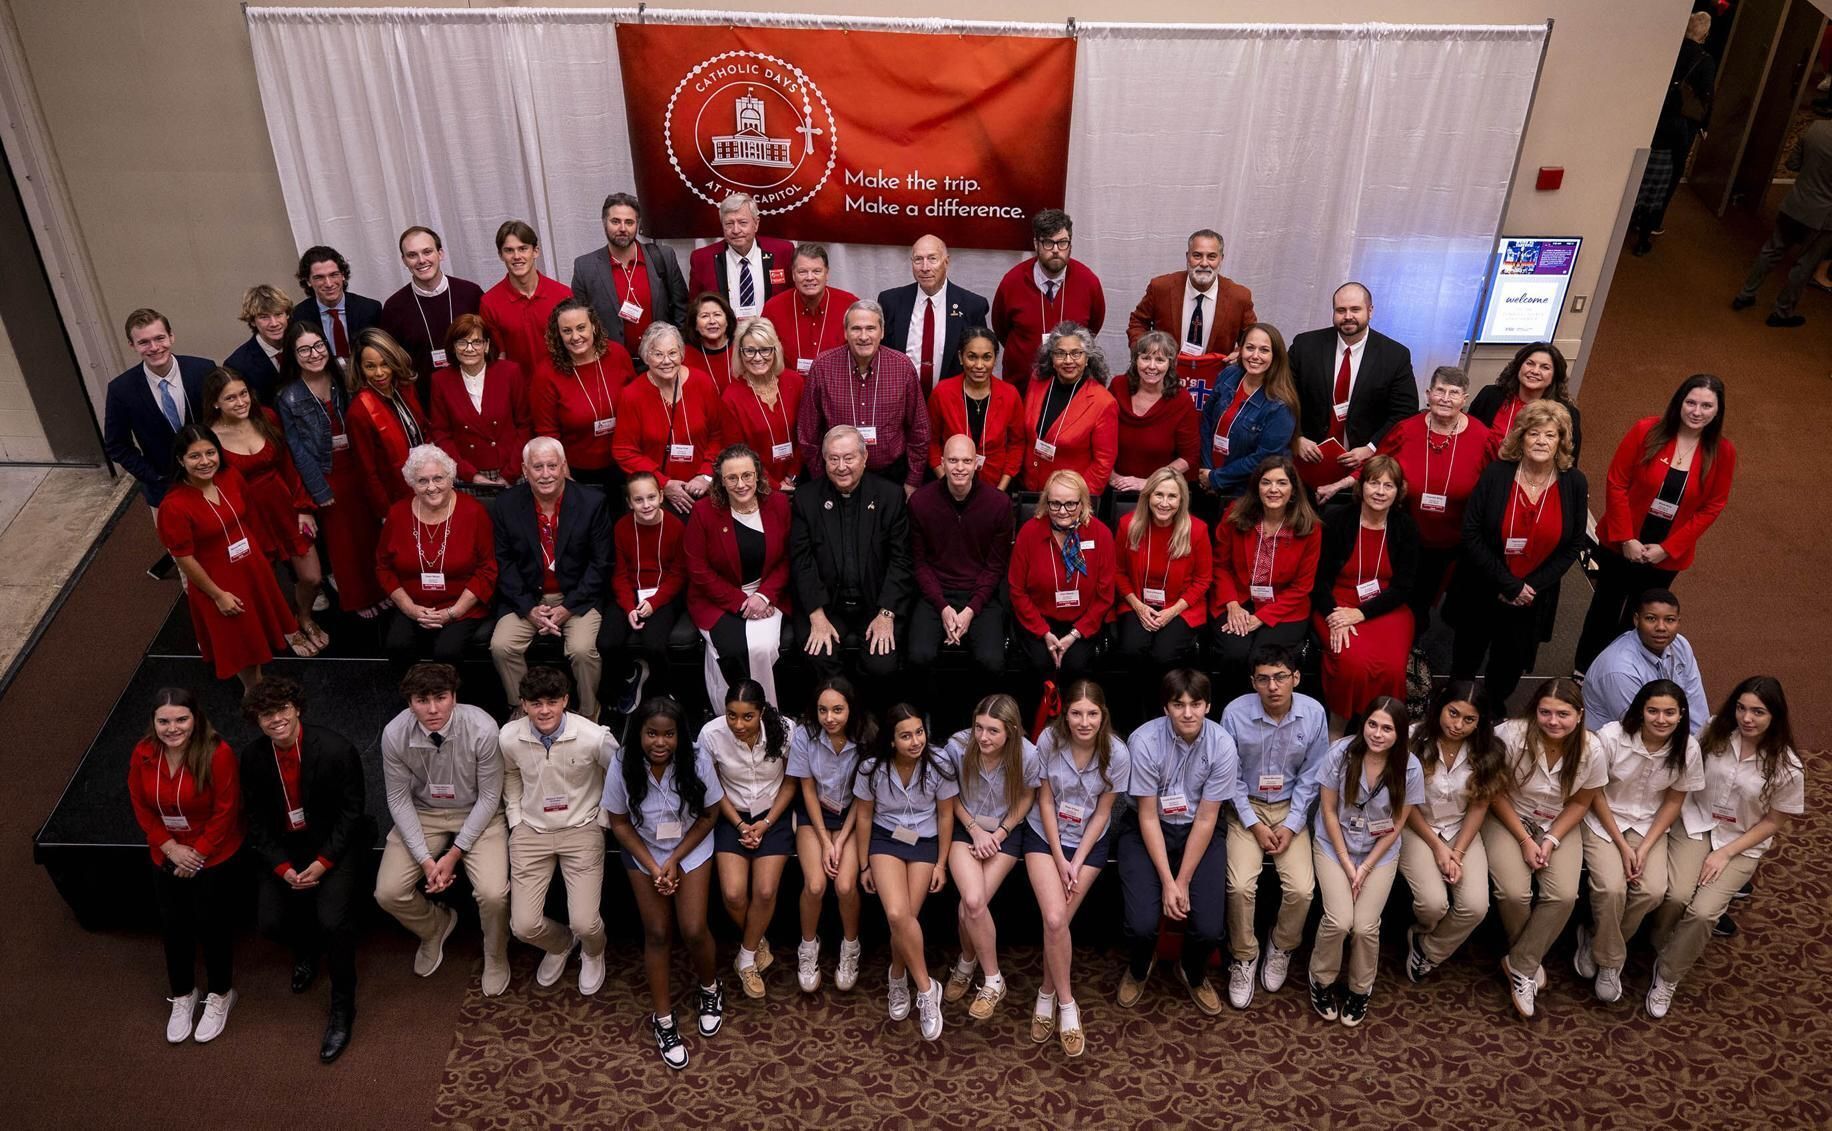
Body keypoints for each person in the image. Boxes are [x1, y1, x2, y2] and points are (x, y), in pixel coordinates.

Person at [1648, 677, 1805, 1017]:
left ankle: (1669, 974)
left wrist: (1724, 853)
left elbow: (1773, 822)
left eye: (1758, 712)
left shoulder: (1788, 767)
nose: (1747, 719)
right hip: (1695, 822)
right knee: (1675, 895)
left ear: (1775, 716)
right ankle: (1657, 942)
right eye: (1741, 708)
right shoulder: (1714, 730)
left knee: (1703, 912)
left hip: (1739, 843)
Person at [237, 676, 366, 1062]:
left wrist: (322, 863)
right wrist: (280, 866)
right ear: (256, 720)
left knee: (333, 921)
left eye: (281, 710)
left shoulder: (336, 749)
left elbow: (351, 814)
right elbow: (256, 820)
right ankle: (306, 951)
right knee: (270, 924)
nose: (275, 720)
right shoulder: (253, 757)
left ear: (297, 710)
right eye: (265, 714)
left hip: (333, 846)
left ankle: (343, 1008)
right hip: (286, 850)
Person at [1576, 374, 1735, 669]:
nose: (1697, 412)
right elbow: (1617, 482)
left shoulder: (1723, 453)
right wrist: (1626, 538)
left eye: (1706, 406)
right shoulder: (1646, 431)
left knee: (1641, 616)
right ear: (1679, 403)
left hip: (1665, 555)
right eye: (1691, 402)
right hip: (1621, 544)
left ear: (1717, 411)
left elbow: (1713, 506)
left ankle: (1622, 674)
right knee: (1604, 609)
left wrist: (1668, 548)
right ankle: (1584, 671)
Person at [602, 695, 725, 1069]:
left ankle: (709, 989)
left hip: (690, 846)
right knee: (657, 933)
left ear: (679, 735)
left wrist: (673, 860)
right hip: (643, 851)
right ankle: (664, 1020)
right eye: (652, 734)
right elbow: (619, 823)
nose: (660, 742)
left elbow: (708, 817)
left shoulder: (697, 758)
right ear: (639, 733)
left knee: (692, 927)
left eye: (668, 734)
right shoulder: (622, 763)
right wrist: (655, 866)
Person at [376, 663, 511, 996]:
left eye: (441, 698)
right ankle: (434, 926)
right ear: (409, 702)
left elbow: (492, 796)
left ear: (454, 696)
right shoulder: (395, 733)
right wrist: (425, 859)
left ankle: (495, 954)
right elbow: (397, 798)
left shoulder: (482, 727)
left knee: (493, 894)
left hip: (480, 812)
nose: (433, 709)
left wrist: (454, 853)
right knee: (388, 892)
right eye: (422, 700)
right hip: (425, 812)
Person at [1448, 400, 1589, 708]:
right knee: (1465, 660)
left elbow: (1573, 544)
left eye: (1550, 435)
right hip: (1484, 585)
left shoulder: (1574, 483)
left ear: (1562, 441)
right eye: (1534, 433)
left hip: (1533, 596)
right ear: (1521, 437)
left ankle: (1490, 716)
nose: (1541, 441)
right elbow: (1470, 531)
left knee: (1508, 665)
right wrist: (1507, 583)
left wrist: (1530, 587)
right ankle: (1454, 713)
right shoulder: (1497, 473)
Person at [1116, 668, 1238, 1015]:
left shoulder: (1222, 745)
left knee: (1210, 928)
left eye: (1195, 704)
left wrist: (1182, 881)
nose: (1187, 713)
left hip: (1199, 829)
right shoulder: (1143, 741)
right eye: (1178, 704)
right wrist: (1169, 883)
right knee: (1140, 925)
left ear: (1208, 706)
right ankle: (1139, 968)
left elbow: (1206, 817)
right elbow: (1148, 816)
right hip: (1147, 828)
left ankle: (1193, 971)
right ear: (1165, 708)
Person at [1481, 678, 1605, 1019]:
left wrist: (1549, 840)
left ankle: (1520, 963)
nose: (1553, 721)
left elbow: (1581, 802)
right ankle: (1529, 959)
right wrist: (1524, 839)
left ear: (1579, 715)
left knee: (1564, 895)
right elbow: (1495, 792)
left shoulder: (1592, 749)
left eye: (1563, 714)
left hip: (1559, 822)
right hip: (1510, 817)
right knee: (1513, 893)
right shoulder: (1511, 735)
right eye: (1545, 712)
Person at [1574, 678, 1703, 1004]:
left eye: (1670, 713)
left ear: (1681, 714)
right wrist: (1622, 844)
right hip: (1604, 822)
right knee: (1612, 888)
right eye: (1653, 711)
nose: (1661, 719)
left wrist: (1643, 848)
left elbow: (1674, 801)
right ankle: (1611, 962)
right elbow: (1595, 793)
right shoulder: (1612, 738)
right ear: (1640, 711)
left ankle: (1595, 939)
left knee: (1653, 889)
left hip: (1648, 826)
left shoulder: (1688, 748)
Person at [127, 688, 243, 1045]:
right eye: (163, 721)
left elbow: (227, 809)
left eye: (181, 719)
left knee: (213, 927)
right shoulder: (143, 753)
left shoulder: (217, 753)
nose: (172, 728)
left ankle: (221, 993)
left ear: (195, 719)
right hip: (168, 853)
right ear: (153, 722)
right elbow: (139, 803)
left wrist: (198, 853)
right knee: (174, 927)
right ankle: (183, 994)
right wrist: (169, 846)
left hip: (214, 853)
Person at [1218, 643, 1330, 1009]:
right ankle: (1244, 954)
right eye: (1264, 679)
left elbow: (1313, 776)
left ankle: (1281, 946)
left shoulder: (1313, 714)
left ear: (1295, 678)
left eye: (1281, 677)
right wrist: (1252, 824)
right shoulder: (1234, 714)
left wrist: (1294, 823)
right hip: (1245, 805)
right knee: (1238, 885)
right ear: (1253, 682)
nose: (1273, 686)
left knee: (1302, 889)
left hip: (1290, 808)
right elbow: (1229, 776)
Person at [1024, 680, 1129, 1057]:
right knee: (1054, 919)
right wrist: (1058, 857)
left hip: (1089, 842)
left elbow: (1104, 812)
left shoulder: (1117, 753)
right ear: (1064, 714)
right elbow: (1046, 802)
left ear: (1103, 716)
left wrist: (1078, 860)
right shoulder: (1048, 742)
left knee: (1058, 922)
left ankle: (1046, 991)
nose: (1084, 722)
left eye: (1092, 714)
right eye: (1076, 713)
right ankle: (1068, 1006)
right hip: (1044, 837)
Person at [500, 666, 617, 996]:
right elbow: (509, 774)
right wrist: (515, 820)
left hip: (582, 830)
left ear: (566, 700)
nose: (544, 711)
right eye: (535, 703)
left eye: (552, 701)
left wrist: (603, 821)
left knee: (586, 922)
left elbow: (618, 776)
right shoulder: (508, 736)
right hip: (530, 832)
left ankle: (593, 951)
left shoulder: (594, 736)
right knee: (523, 926)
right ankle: (561, 944)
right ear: (523, 704)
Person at [1308, 696, 1421, 1025]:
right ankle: (1322, 980)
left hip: (1379, 851)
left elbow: (1399, 821)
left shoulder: (1409, 766)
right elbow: (1328, 810)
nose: (1378, 733)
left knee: (1365, 926)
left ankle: (1360, 989)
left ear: (1399, 733)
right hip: (1334, 845)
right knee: (1340, 921)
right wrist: (1346, 863)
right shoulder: (1340, 754)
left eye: (1387, 728)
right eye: (1372, 724)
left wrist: (1367, 866)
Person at [157, 425, 298, 687]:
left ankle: (259, 687)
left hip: (251, 569)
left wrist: (264, 560)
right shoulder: (173, 506)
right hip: (218, 582)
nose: (205, 461)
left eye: (210, 453)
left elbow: (250, 515)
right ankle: (253, 694)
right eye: (194, 456)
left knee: (257, 636)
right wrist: (218, 594)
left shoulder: (231, 476)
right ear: (180, 460)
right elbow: (184, 558)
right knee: (240, 645)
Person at [203, 366, 328, 656]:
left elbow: (289, 466)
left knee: (312, 577)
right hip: (248, 518)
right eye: (230, 398)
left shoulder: (267, 417)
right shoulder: (210, 437)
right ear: (215, 403)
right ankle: (288, 628)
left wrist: (304, 509)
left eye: (243, 393)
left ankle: (304, 616)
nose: (241, 402)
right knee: (269, 583)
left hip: (284, 505)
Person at [1359, 366, 1493, 629]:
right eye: (1440, 390)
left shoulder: (1483, 437)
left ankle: (1415, 644)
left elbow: (1495, 485)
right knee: (1397, 590)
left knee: (1426, 597)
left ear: (1464, 400)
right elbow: (1377, 466)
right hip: (1403, 531)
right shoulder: (1406, 429)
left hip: (1453, 538)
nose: (1445, 398)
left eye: (1454, 393)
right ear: (1428, 394)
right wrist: (1344, 481)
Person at [853, 703, 957, 1042]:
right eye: (906, 736)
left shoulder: (940, 764)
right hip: (886, 839)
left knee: (907, 916)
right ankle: (927, 989)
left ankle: (897, 974)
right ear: (891, 740)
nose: (915, 742)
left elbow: (945, 816)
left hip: (924, 841)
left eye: (919, 732)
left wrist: (941, 863)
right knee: (897, 913)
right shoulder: (872, 768)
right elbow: (865, 817)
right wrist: (865, 863)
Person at [490, 437, 611, 721]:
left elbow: (600, 564)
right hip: (526, 598)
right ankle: (522, 710)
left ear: (564, 466)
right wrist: (528, 609)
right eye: (537, 467)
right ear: (524, 470)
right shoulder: (506, 504)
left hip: (578, 598)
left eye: (552, 466)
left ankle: (588, 715)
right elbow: (503, 564)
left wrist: (568, 608)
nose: (545, 474)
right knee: (501, 646)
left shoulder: (592, 503)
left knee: (582, 650)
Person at [938, 695, 1039, 1021]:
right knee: (973, 900)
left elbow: (1027, 796)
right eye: (979, 727)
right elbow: (948, 797)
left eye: (993, 731)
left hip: (1005, 833)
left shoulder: (1027, 753)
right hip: (965, 829)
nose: (983, 737)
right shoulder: (957, 746)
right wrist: (975, 831)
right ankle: (994, 979)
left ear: (1010, 730)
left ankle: (967, 963)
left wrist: (1000, 833)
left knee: (970, 906)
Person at [275, 321, 386, 615]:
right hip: (327, 473)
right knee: (343, 542)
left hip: (359, 464)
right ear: (293, 355)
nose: (314, 354)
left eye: (318, 345)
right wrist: (318, 490)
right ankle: (360, 599)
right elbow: (297, 451)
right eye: (304, 350)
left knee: (371, 532)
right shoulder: (288, 397)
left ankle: (382, 588)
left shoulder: (345, 378)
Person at [1399, 680, 1506, 981]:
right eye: (1453, 713)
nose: (1458, 725)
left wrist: (1457, 852)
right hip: (1416, 826)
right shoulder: (1411, 739)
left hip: (1461, 829)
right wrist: (1438, 848)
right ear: (1439, 709)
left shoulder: (1489, 749)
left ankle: (1429, 948)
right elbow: (1406, 806)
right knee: (1433, 904)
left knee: (1475, 907)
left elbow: (1479, 806)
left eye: (1469, 720)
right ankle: (1422, 929)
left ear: (1479, 722)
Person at [791, 426, 914, 685]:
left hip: (875, 604)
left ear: (865, 457)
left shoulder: (890, 496)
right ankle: (835, 716)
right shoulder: (806, 498)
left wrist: (886, 613)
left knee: (883, 663)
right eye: (833, 459)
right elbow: (802, 562)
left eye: (849, 458)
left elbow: (901, 560)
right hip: (827, 605)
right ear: (824, 460)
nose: (841, 466)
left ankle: (866, 721)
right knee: (818, 656)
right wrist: (816, 615)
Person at [701, 680, 796, 999]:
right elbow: (712, 786)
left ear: (762, 712)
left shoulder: (784, 729)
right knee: (732, 893)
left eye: (747, 717)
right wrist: (741, 824)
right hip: (731, 815)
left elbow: (791, 783)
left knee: (766, 890)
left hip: (774, 814)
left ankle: (745, 958)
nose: (738, 725)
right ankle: (758, 942)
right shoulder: (711, 735)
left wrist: (766, 823)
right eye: (731, 715)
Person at [1310, 457, 1420, 718]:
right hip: (1335, 604)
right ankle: (1337, 729)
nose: (1380, 492)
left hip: (1386, 607)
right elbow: (1318, 580)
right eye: (1374, 483)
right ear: (1361, 486)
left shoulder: (1406, 527)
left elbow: (1403, 587)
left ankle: (1383, 727)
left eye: (1388, 486)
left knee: (1392, 668)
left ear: (1398, 491)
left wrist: (1359, 614)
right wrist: (1335, 617)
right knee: (1351, 664)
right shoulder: (1336, 519)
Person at [686, 445, 793, 707]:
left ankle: (766, 714)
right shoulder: (704, 512)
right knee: (730, 650)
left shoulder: (778, 503)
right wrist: (740, 602)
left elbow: (790, 558)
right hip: (716, 597)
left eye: (747, 475)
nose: (741, 484)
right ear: (721, 481)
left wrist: (764, 596)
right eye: (732, 478)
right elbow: (697, 567)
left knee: (762, 648)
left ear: (758, 475)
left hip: (769, 593)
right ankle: (728, 718)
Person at [1208, 456, 1322, 696]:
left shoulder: (1309, 527)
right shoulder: (1235, 514)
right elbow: (1220, 565)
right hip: (1237, 600)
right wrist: (1232, 604)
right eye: (1266, 482)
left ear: (1292, 490)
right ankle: (1231, 713)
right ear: (1256, 487)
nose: (1273, 489)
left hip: (1285, 608)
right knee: (1234, 653)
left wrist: (1261, 617)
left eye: (1281, 483)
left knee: (1265, 660)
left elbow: (1302, 586)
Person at [787, 677, 874, 994]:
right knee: (815, 884)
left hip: (853, 815)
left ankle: (850, 948)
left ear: (851, 709)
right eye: (823, 710)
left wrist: (840, 840)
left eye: (837, 710)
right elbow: (807, 790)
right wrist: (826, 841)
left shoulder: (867, 737)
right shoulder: (804, 735)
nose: (830, 718)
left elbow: (864, 800)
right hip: (815, 816)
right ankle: (808, 947)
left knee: (846, 884)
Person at [375, 445, 496, 666]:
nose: (432, 487)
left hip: (460, 606)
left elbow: (487, 568)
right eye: (422, 481)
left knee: (447, 652)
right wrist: (409, 608)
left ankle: (449, 699)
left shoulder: (473, 512)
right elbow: (384, 567)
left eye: (438, 478)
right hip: (413, 604)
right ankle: (415, 698)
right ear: (412, 483)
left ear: (451, 478)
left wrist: (453, 612)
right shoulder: (397, 514)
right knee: (397, 645)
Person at [907, 434, 1013, 682]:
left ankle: (981, 717)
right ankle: (927, 714)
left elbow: (995, 566)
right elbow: (919, 563)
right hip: (935, 593)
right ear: (942, 462)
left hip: (980, 595)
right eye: (953, 460)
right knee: (918, 655)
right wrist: (943, 607)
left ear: (977, 463)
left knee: (992, 660)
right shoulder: (920, 502)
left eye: (966, 461)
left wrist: (970, 610)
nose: (960, 468)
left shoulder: (999, 504)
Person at [796, 300, 928, 494]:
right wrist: (821, 478)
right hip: (837, 479)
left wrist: (913, 480)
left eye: (871, 328)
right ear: (845, 332)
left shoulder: (902, 367)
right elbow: (808, 432)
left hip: (891, 477)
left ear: (882, 332)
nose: (863, 336)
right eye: (856, 329)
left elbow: (919, 429)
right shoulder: (823, 367)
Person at [1289, 283, 1416, 475]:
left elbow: (1405, 412)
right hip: (1307, 459)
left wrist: (1372, 447)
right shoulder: (1305, 346)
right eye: (1341, 310)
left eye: (1355, 309)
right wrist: (1295, 437)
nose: (1348, 316)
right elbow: (1283, 395)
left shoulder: (1395, 355)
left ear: (1370, 311)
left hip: (1364, 465)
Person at [1008, 470, 1116, 691]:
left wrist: (1074, 634)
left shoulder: (1100, 534)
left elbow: (1105, 595)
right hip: (1038, 621)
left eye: (1070, 504)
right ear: (1046, 502)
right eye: (1055, 504)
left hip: (1082, 623)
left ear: (1083, 502)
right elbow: (1017, 590)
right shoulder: (1029, 533)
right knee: (1040, 664)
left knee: (1075, 666)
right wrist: (1044, 632)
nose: (1062, 511)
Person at [103, 308, 214, 508]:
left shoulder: (203, 370)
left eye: (159, 338)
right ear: (132, 345)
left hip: (214, 478)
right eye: (143, 342)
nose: (154, 347)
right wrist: (153, 476)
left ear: (171, 336)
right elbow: (116, 445)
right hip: (166, 491)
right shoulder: (121, 390)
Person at [614, 323, 725, 517]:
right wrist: (663, 483)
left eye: (673, 353)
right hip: (656, 498)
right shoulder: (631, 395)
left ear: (682, 354)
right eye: (658, 354)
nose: (667, 361)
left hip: (703, 492)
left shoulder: (702, 383)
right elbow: (624, 451)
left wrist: (705, 475)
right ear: (646, 357)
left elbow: (718, 435)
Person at [530, 297, 636, 499]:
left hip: (626, 465)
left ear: (594, 327)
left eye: (581, 328)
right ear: (558, 334)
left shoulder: (618, 355)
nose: (575, 337)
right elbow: (547, 432)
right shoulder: (546, 373)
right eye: (567, 331)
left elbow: (638, 408)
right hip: (580, 474)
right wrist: (564, 476)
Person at [1731, 118, 1832, 328]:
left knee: (1772, 250)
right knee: (1805, 264)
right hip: (1824, 217)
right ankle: (1781, 312)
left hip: (1795, 203)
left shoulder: (1817, 128)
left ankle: (1745, 294)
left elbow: (1792, 163)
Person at [990, 209, 1106, 390]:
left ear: (1070, 245)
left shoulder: (1088, 281)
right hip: (1022, 387)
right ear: (1036, 244)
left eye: (1062, 243)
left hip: (1071, 388)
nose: (1055, 250)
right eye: (1048, 243)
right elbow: (1001, 329)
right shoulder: (1012, 281)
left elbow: (1093, 328)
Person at [1631, 12, 1716, 256]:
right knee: (1668, 175)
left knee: (1644, 168)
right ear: (1705, 34)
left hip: (1655, 117)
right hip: (1681, 125)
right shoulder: (1705, 60)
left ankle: (1632, 212)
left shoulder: (1670, 49)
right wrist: (1705, 125)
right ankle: (1650, 224)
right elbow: (1706, 96)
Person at [569, 192, 689, 361]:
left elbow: (682, 308)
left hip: (661, 363)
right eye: (615, 221)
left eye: (629, 222)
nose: (623, 229)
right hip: (612, 363)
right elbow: (580, 320)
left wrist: (676, 349)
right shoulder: (585, 267)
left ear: (637, 224)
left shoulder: (663, 257)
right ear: (604, 223)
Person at [600, 471, 684, 710]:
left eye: (651, 497)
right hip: (630, 593)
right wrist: (629, 608)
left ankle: (659, 694)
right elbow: (619, 574)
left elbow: (678, 574)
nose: (646, 505)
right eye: (638, 500)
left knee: (654, 645)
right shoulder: (622, 527)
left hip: (663, 595)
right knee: (606, 642)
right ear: (629, 502)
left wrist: (654, 603)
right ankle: (627, 679)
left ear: (660, 496)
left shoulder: (676, 526)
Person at [1115, 467, 1210, 670]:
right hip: (1137, 602)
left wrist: (1171, 612)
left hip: (1181, 606)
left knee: (1163, 655)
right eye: (1159, 494)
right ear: (1148, 496)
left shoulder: (1198, 530)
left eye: (1172, 496)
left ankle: (1166, 701)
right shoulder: (1128, 525)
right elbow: (1118, 572)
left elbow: (1202, 580)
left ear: (1181, 500)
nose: (1164, 503)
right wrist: (1139, 608)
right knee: (1131, 649)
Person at [1581, 589, 1710, 734]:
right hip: (1613, 747)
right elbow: (1642, 731)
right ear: (1636, 620)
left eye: (1669, 620)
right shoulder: (1619, 669)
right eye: (1651, 618)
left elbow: (1696, 706)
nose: (1661, 627)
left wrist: (1701, 747)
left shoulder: (1680, 645)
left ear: (1678, 622)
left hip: (1659, 733)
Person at [427, 313, 531, 489]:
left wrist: (509, 474)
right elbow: (441, 435)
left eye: (477, 342)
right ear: (452, 347)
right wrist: (471, 475)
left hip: (512, 470)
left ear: (487, 345)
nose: (469, 348)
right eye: (462, 342)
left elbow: (525, 426)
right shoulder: (440, 380)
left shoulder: (510, 372)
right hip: (467, 474)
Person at [1198, 323, 1300, 501]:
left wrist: (1216, 478)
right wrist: (1207, 471)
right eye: (1250, 348)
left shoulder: (1281, 405)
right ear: (1240, 349)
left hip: (1246, 493)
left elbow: (1263, 459)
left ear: (1275, 356)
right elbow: (1206, 421)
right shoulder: (1229, 374)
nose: (1255, 356)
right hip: (1207, 478)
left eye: (1264, 350)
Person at [878, 234, 990, 393]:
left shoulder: (972, 305)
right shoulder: (890, 302)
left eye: (932, 259)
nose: (925, 267)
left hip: (951, 402)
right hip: (900, 401)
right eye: (918, 260)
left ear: (946, 262)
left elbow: (980, 358)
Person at [378, 226, 485, 388]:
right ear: (404, 260)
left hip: (476, 389)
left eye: (427, 252)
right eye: (412, 255)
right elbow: (394, 364)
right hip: (426, 399)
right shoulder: (394, 307)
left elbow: (489, 345)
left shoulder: (471, 293)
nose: (421, 260)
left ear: (440, 254)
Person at [1125, 229, 1257, 360]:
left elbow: (1252, 339)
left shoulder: (1239, 297)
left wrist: (1241, 354)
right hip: (1166, 375)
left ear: (1221, 259)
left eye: (1211, 256)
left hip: (1215, 376)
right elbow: (1138, 322)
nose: (1204, 263)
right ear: (1188, 256)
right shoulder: (1161, 288)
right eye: (1197, 255)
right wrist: (1143, 351)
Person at [1021, 322, 1119, 496]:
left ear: (1087, 357)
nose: (1068, 361)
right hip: (1029, 490)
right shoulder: (1037, 382)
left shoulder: (1103, 402)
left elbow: (1103, 464)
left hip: (1069, 501)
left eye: (1076, 354)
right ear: (1051, 357)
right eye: (1060, 353)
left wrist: (1077, 500)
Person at [926, 326, 1025, 489]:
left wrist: (1001, 490)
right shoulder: (942, 392)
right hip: (950, 484)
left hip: (995, 484)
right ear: (960, 357)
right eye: (972, 357)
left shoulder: (1010, 394)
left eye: (987, 357)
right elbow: (931, 442)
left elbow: (1017, 445)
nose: (979, 365)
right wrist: (946, 481)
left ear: (995, 359)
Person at [346, 328, 429, 517]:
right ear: (359, 367)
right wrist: (386, 513)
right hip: (396, 500)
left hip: (427, 487)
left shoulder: (406, 390)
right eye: (370, 366)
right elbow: (368, 473)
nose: (379, 373)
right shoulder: (359, 412)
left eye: (385, 364)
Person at [720, 317, 804, 491]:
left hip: (800, 480)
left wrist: (792, 476)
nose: (758, 358)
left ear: (775, 350)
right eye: (749, 351)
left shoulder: (794, 382)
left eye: (765, 350)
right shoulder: (731, 397)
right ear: (740, 353)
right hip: (756, 488)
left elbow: (806, 434)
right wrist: (774, 485)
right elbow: (739, 455)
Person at [480, 220, 572, 375]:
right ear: (501, 255)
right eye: (509, 250)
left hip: (562, 387)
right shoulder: (489, 302)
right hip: (519, 392)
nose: (517, 256)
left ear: (535, 251)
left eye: (523, 249)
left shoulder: (563, 295)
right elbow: (498, 360)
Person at [1111, 331, 1198, 493]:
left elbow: (1189, 457)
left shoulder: (1181, 399)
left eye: (1160, 360)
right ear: (1135, 360)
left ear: (1170, 364)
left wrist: (1150, 482)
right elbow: (1099, 438)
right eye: (1145, 358)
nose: (1152, 366)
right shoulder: (1118, 387)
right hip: (1114, 488)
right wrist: (1112, 477)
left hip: (1160, 492)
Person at [686, 192, 796, 319]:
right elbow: (694, 311)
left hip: (771, 336)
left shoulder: (783, 252)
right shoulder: (702, 259)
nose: (736, 230)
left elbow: (793, 299)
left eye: (742, 223)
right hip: (724, 337)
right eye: (729, 224)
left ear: (756, 223)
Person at [1468, 342, 1584, 461]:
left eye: (1545, 367)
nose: (1535, 371)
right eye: (1530, 363)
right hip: (1483, 474)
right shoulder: (1490, 396)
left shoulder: (1566, 412)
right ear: (1519, 366)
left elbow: (1569, 458)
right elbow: (1468, 437)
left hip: (1531, 478)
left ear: (1554, 376)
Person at [761, 242, 858, 375]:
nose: (810, 278)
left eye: (816, 271)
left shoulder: (850, 305)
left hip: (837, 388)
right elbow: (762, 353)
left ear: (827, 273)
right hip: (789, 390)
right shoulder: (774, 308)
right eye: (802, 272)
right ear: (793, 275)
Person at [289, 246, 381, 362]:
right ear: (308, 281)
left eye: (334, 275)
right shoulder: (298, 316)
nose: (328, 283)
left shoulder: (370, 309)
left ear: (343, 275)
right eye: (319, 277)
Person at [224, 285, 293, 404]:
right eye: (264, 317)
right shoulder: (237, 365)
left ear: (287, 315)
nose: (274, 323)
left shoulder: (301, 346)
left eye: (278, 314)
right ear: (252, 321)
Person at [682, 291, 742, 391]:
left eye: (717, 315)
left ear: (727, 320)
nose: (712, 321)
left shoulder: (742, 349)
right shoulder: (684, 356)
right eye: (705, 316)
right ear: (695, 324)